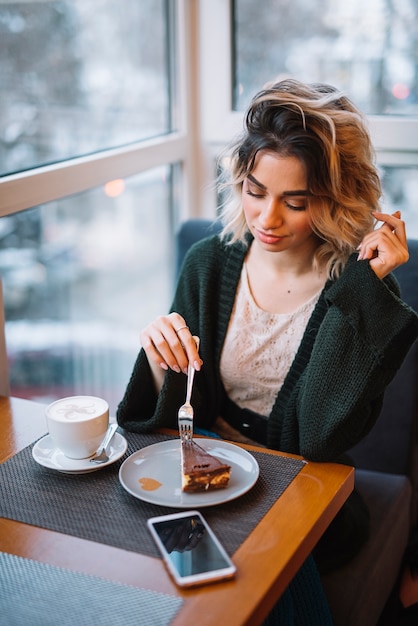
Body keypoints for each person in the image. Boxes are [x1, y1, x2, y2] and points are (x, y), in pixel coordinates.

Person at [117, 78, 418, 624]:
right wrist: (162, 360)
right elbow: (176, 412)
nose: (267, 219)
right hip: (204, 481)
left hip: (305, 494)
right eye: (255, 191)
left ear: (334, 197)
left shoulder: (359, 292)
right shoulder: (209, 264)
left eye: (295, 201)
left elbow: (321, 438)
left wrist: (360, 290)